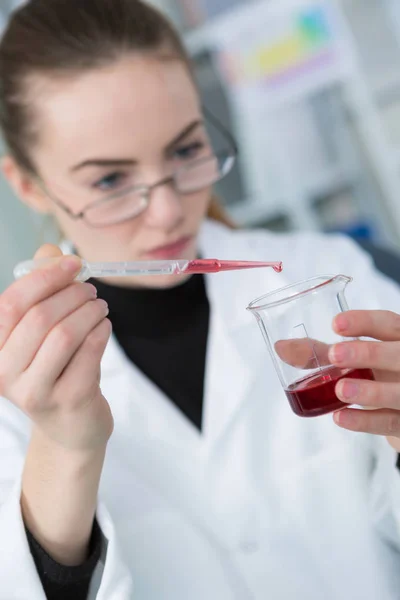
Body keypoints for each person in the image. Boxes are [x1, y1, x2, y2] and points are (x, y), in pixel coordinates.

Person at [1, 1, 400, 599]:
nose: (167, 212)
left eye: (187, 151)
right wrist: (64, 446)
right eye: (110, 181)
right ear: (29, 185)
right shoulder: (15, 373)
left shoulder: (333, 273)